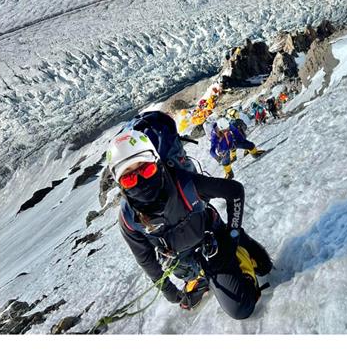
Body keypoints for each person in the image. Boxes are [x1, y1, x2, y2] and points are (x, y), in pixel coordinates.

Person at [108, 130, 272, 320]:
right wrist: (168, 290)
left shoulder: (183, 183)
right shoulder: (129, 219)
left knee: (249, 293)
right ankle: (200, 276)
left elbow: (234, 191)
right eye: (129, 177)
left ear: (157, 164)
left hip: (213, 242)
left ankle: (237, 253)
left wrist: (232, 237)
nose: (141, 180)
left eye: (146, 169)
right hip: (183, 260)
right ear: (120, 184)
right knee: (227, 302)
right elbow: (145, 259)